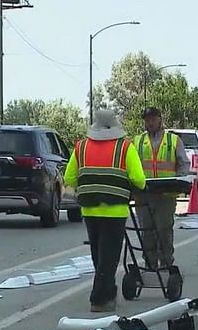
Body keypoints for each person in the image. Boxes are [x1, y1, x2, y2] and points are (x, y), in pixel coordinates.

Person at [63, 109, 146, 312]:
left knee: (98, 255)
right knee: (109, 257)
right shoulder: (125, 147)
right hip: (115, 210)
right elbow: (138, 180)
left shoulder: (81, 147)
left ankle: (107, 292)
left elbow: (69, 178)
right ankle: (100, 299)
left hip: (89, 210)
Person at [133, 107, 191, 270]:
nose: (149, 123)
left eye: (152, 119)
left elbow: (183, 164)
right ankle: (150, 264)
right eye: (147, 120)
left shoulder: (173, 140)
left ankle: (166, 263)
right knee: (147, 231)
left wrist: (177, 180)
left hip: (166, 194)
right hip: (144, 194)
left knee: (164, 230)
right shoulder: (137, 141)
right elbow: (130, 164)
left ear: (160, 119)